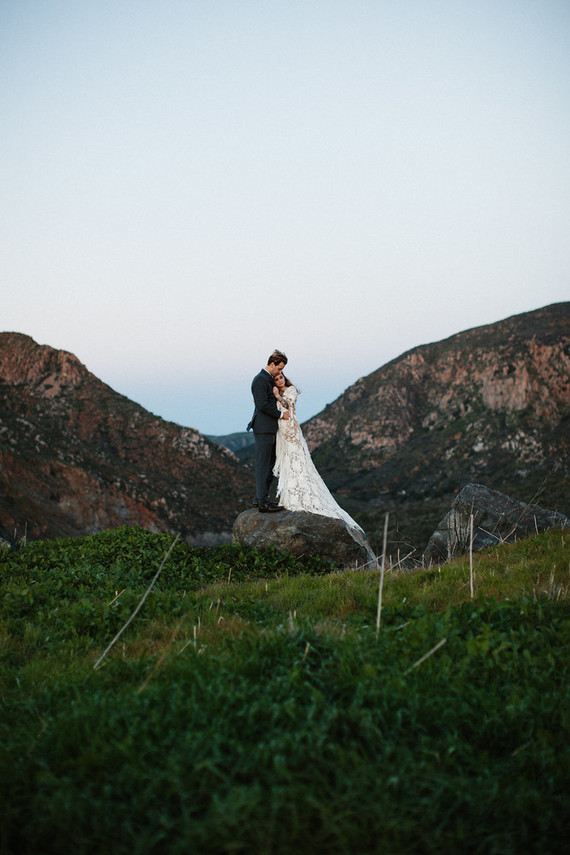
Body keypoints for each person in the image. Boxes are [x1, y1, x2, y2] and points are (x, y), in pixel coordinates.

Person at [272, 371, 363, 532]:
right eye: (276, 379)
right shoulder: (278, 392)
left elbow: (288, 406)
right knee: (288, 460)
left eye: (280, 377)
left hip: (291, 429)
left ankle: (301, 496)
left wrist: (277, 397)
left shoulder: (290, 390)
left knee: (297, 460)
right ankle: (290, 495)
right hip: (282, 430)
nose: (279, 381)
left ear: (284, 377)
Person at [247, 350, 291, 513]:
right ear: (272, 364)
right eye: (279, 369)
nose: (280, 373)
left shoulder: (266, 379)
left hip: (269, 428)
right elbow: (262, 405)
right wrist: (281, 414)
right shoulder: (260, 380)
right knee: (263, 465)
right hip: (263, 428)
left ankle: (261, 498)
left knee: (270, 464)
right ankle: (262, 502)